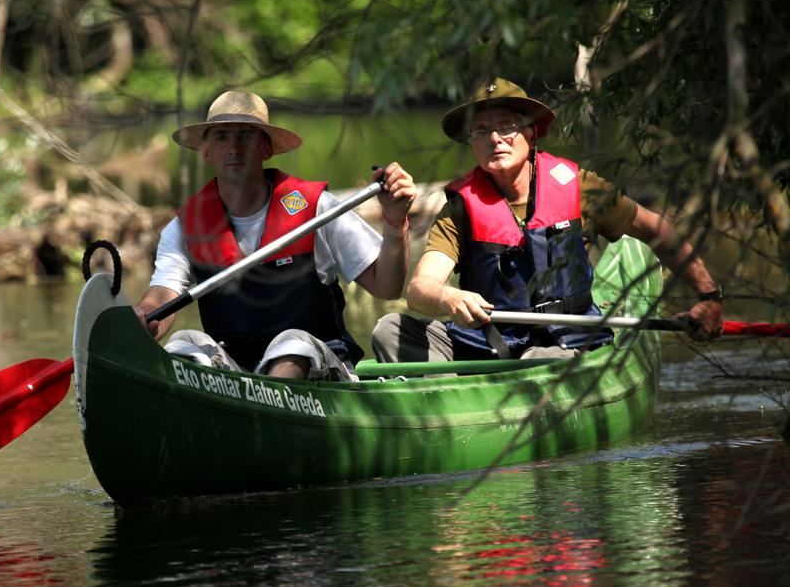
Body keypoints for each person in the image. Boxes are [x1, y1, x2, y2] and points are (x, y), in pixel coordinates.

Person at [372, 77, 723, 364]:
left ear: (532, 134)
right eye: (480, 131)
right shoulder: (461, 206)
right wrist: (448, 297)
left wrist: (708, 295)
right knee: (389, 329)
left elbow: (656, 230)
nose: (494, 139)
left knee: (536, 359)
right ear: (471, 143)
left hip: (565, 340)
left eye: (506, 127)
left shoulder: (580, 187)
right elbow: (420, 288)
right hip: (487, 343)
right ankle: (445, 406)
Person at [135, 91, 416, 380]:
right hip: (237, 374)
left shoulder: (317, 208)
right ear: (206, 151)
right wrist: (142, 317)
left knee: (291, 344)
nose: (234, 148)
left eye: (246, 136)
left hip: (318, 367)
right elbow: (162, 295)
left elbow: (387, 287)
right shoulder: (184, 228)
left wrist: (396, 223)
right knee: (184, 343)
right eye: (221, 137)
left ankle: (264, 415)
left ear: (266, 149)